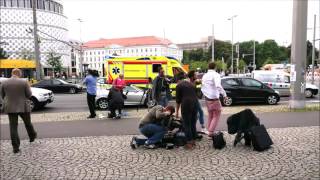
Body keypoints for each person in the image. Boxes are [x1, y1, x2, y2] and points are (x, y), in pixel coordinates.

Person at [0, 68, 37, 153]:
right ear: (19, 74)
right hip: (23, 106)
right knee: (28, 123)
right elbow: (29, 94)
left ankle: (15, 147)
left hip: (10, 107)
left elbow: (2, 95)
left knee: (13, 127)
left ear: (12, 73)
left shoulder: (4, 82)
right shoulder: (24, 82)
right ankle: (32, 136)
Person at [201, 62, 227, 137]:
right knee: (216, 115)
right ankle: (211, 132)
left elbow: (202, 86)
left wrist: (206, 94)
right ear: (215, 67)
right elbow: (218, 85)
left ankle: (209, 130)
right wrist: (224, 94)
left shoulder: (205, 75)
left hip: (207, 98)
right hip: (214, 98)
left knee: (210, 115)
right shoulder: (216, 75)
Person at [175, 75, 199, 150]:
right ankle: (194, 140)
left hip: (186, 104)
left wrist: (176, 112)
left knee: (186, 123)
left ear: (178, 80)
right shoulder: (191, 84)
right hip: (195, 103)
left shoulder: (179, 85)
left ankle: (189, 143)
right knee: (193, 123)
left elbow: (178, 101)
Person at [186, 70, 209, 134]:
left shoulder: (194, 82)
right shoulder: (190, 83)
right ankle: (195, 128)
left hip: (195, 100)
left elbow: (199, 93)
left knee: (200, 112)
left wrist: (199, 85)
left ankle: (202, 127)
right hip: (191, 101)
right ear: (192, 76)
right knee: (196, 114)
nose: (197, 76)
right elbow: (198, 94)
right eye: (195, 75)